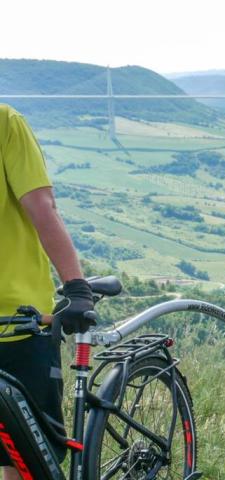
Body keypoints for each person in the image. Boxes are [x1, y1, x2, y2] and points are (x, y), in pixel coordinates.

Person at [0, 104, 95, 480]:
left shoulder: (5, 122)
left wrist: (75, 284)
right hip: (19, 323)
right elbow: (42, 206)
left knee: (23, 465)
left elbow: (41, 207)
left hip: (19, 324)